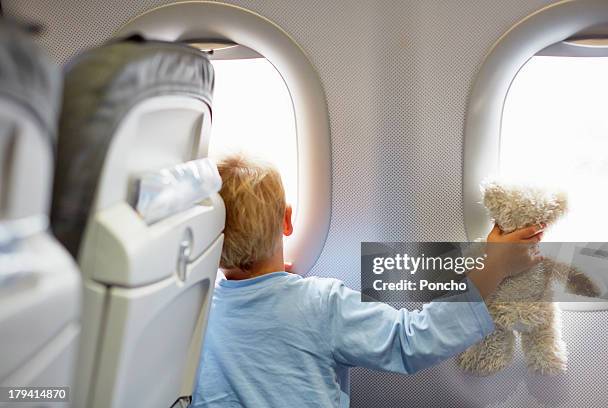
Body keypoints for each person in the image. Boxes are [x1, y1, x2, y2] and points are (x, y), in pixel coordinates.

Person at [191, 154, 544, 408]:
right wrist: (493, 267)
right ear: (287, 221)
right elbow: (410, 340)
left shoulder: (195, 314)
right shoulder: (321, 303)